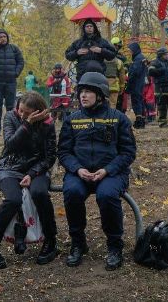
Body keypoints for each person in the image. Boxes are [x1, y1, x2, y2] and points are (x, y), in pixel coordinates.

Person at [58, 72, 136, 271]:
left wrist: (107, 170)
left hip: (111, 173)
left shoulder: (118, 119)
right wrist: (77, 169)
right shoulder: (72, 120)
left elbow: (128, 152)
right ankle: (78, 243)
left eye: (88, 92)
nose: (83, 96)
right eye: (81, 92)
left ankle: (114, 245)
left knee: (107, 195)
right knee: (72, 192)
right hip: (80, 173)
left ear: (100, 94)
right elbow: (64, 152)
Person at [0, 91, 59, 269]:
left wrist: (31, 174)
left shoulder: (47, 124)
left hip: (36, 169)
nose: (21, 114)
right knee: (13, 199)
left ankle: (51, 240)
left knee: (39, 193)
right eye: (20, 110)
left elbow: (50, 156)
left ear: (38, 112)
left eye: (27, 112)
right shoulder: (10, 117)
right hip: (10, 167)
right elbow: (10, 145)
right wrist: (27, 123)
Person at [126, 42, 148, 129]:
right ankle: (141, 120)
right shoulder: (140, 58)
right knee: (140, 101)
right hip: (140, 83)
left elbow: (134, 72)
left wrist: (129, 83)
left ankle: (139, 121)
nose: (130, 52)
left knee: (136, 101)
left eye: (131, 50)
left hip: (136, 84)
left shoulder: (138, 59)